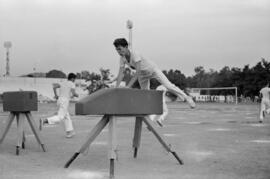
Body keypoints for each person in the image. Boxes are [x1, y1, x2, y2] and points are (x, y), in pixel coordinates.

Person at [111, 38, 195, 108]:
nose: (118, 51)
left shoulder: (135, 54)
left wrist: (128, 86)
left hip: (152, 70)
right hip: (142, 75)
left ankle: (187, 98)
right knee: (145, 93)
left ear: (126, 47)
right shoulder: (122, 59)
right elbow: (120, 74)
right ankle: (148, 112)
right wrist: (117, 88)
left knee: (168, 86)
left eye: (119, 49)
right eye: (116, 50)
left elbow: (137, 72)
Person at [40, 73, 79, 138]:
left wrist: (55, 95)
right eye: (74, 79)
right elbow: (74, 93)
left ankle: (69, 133)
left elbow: (54, 87)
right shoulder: (72, 84)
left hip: (60, 100)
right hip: (64, 102)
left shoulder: (63, 82)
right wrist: (77, 95)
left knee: (67, 117)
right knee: (60, 117)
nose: (74, 80)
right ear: (72, 78)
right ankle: (44, 120)